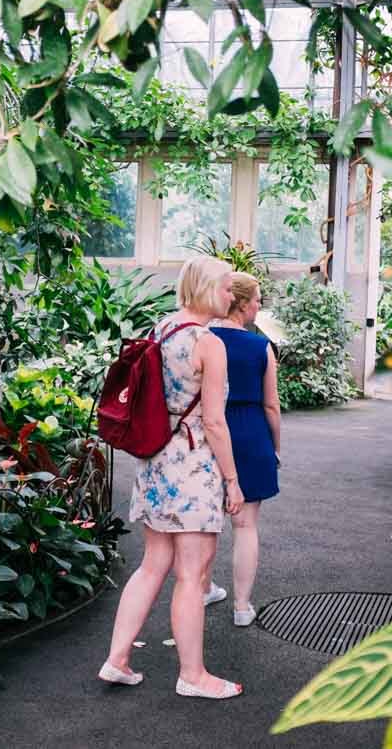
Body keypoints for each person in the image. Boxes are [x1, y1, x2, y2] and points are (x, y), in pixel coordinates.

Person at [98, 256, 245, 700]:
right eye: (224, 288)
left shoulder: (162, 329)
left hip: (156, 461)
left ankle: (117, 659)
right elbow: (215, 423)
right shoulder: (209, 343)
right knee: (192, 572)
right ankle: (193, 674)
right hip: (194, 465)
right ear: (204, 289)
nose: (230, 296)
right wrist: (233, 481)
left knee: (152, 564)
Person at [207, 273, 281, 627]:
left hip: (209, 432)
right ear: (242, 303)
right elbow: (271, 407)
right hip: (251, 434)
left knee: (206, 523)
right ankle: (241, 607)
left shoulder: (203, 339)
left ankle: (203, 588)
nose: (259, 304)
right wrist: (275, 446)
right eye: (257, 299)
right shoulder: (260, 347)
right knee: (246, 524)